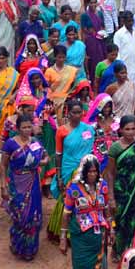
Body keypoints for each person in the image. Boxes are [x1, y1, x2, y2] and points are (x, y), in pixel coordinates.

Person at [60, 154, 113, 269]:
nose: (92, 175)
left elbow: (106, 211)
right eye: (89, 172)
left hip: (99, 237)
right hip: (81, 238)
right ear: (84, 172)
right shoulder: (74, 188)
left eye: (95, 172)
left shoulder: (102, 186)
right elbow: (67, 214)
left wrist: (111, 230)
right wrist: (63, 237)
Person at [1, 114, 48, 260]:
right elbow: (3, 165)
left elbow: (46, 156)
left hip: (33, 182)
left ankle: (30, 249)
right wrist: (3, 185)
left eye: (29, 127)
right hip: (17, 183)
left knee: (32, 216)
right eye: (24, 127)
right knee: (19, 214)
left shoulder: (35, 142)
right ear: (17, 128)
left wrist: (41, 163)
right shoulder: (10, 144)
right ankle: (17, 245)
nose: (27, 130)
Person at [47, 99, 96, 238]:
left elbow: (92, 150)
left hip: (84, 169)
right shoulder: (62, 131)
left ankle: (80, 228)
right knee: (67, 199)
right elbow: (58, 154)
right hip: (67, 168)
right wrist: (59, 175)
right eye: (74, 112)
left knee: (83, 197)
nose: (77, 115)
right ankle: (62, 232)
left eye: (79, 112)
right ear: (68, 113)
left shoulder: (89, 129)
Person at [104, 114, 135, 259]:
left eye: (133, 129)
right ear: (121, 130)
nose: (130, 132)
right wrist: (111, 196)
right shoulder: (115, 148)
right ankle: (118, 251)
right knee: (122, 220)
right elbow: (110, 173)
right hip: (122, 190)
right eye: (127, 129)